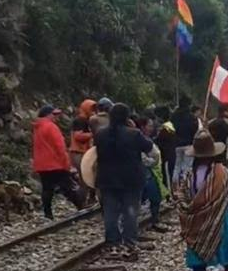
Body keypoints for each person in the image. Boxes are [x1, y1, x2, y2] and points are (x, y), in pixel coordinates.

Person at [176, 130, 228, 271]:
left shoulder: (188, 176)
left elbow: (183, 203)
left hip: (198, 223)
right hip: (223, 221)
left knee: (198, 263)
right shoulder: (224, 174)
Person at [94, 103, 154, 260]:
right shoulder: (134, 134)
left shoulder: (100, 134)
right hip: (131, 178)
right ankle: (129, 242)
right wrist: (133, 127)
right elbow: (149, 147)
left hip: (107, 178)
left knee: (110, 212)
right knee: (130, 211)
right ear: (127, 117)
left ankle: (112, 243)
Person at [32, 105, 84, 220]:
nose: (57, 117)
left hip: (42, 164)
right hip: (56, 164)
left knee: (47, 190)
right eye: (54, 114)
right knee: (68, 187)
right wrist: (67, 165)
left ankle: (48, 214)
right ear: (47, 115)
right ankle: (81, 207)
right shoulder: (51, 127)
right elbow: (60, 147)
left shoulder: (37, 127)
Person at [136, 117, 170, 233]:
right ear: (142, 126)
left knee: (154, 197)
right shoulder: (139, 139)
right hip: (144, 172)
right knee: (144, 197)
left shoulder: (147, 139)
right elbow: (143, 158)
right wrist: (153, 161)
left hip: (151, 173)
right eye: (149, 126)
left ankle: (154, 220)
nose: (151, 128)